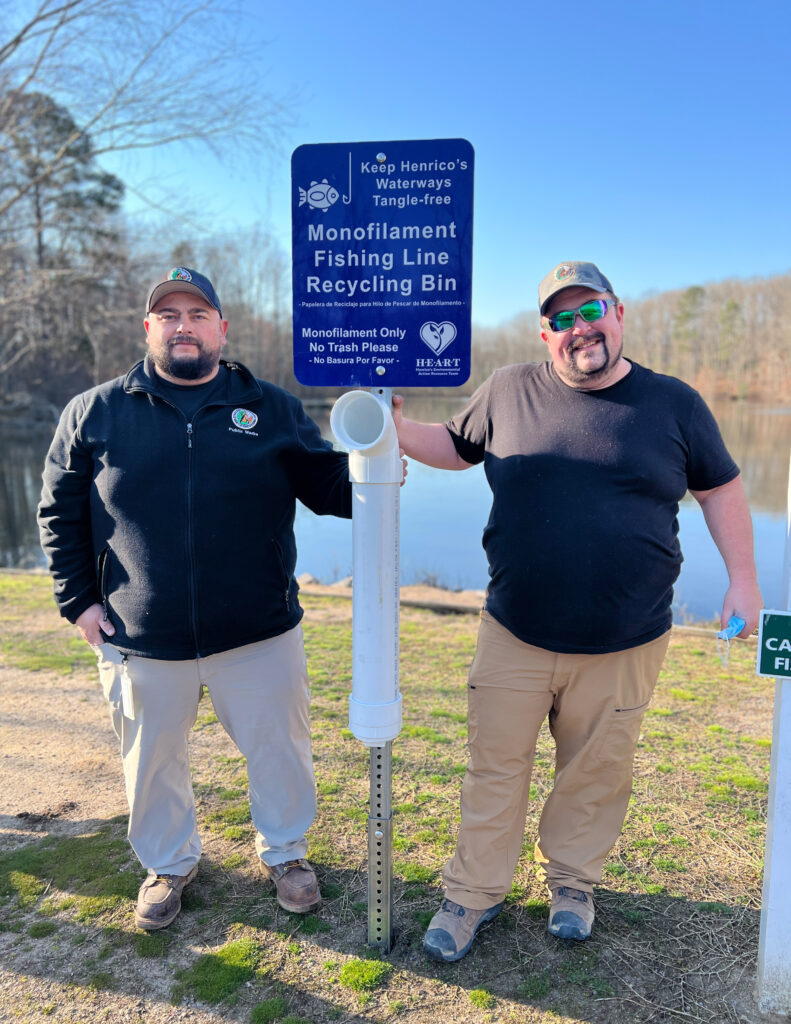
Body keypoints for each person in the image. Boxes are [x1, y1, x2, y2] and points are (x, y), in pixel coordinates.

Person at [393, 260, 763, 962]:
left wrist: (741, 581)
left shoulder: (674, 403)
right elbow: (456, 445)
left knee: (595, 771)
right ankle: (472, 894)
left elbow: (721, 490)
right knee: (494, 768)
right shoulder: (507, 390)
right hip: (515, 630)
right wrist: (392, 429)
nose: (578, 329)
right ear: (544, 334)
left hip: (626, 637)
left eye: (589, 311)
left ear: (616, 313)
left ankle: (570, 883)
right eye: (560, 320)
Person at [38, 267, 353, 930]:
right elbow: (58, 513)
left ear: (221, 328)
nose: (184, 326)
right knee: (150, 763)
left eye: (197, 313)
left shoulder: (268, 406)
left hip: (258, 633)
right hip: (139, 638)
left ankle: (287, 854)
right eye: (169, 315)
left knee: (280, 753)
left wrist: (375, 463)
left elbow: (332, 492)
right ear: (148, 328)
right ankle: (169, 864)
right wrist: (78, 602)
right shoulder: (94, 412)